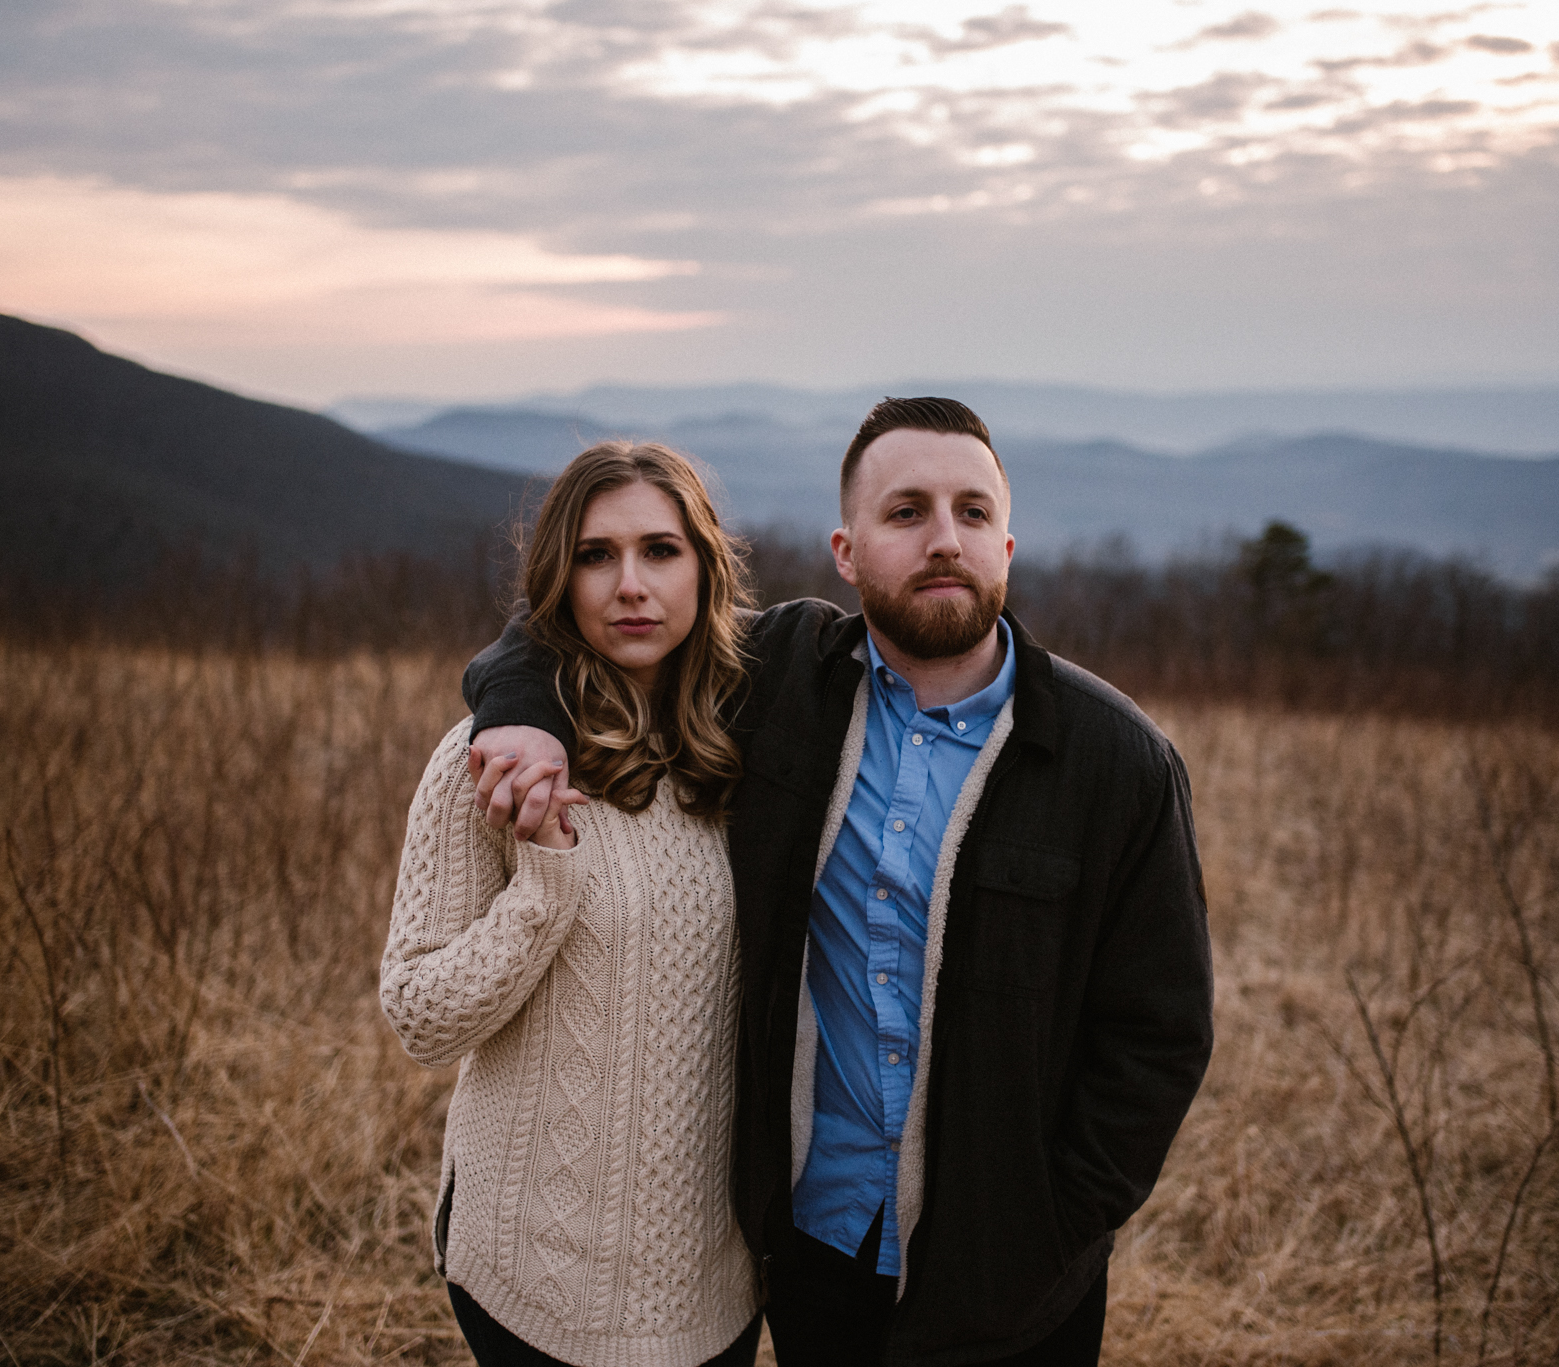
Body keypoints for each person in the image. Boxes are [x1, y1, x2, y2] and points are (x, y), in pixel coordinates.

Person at [463, 398, 1214, 1367]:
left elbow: (1159, 1034)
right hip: (810, 1251)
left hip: (1014, 1285)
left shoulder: (1116, 764)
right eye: (905, 512)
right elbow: (587, 623)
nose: (944, 539)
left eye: (972, 513)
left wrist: (1048, 1228)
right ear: (845, 551)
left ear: (1006, 544)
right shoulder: (776, 679)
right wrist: (518, 710)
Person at [380, 442, 763, 1367]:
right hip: (535, 1277)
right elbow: (421, 1018)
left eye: (661, 551)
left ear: (706, 569)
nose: (631, 584)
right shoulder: (495, 764)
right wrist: (546, 884)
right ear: (561, 578)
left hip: (716, 1283)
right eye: (597, 555)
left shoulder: (754, 745)